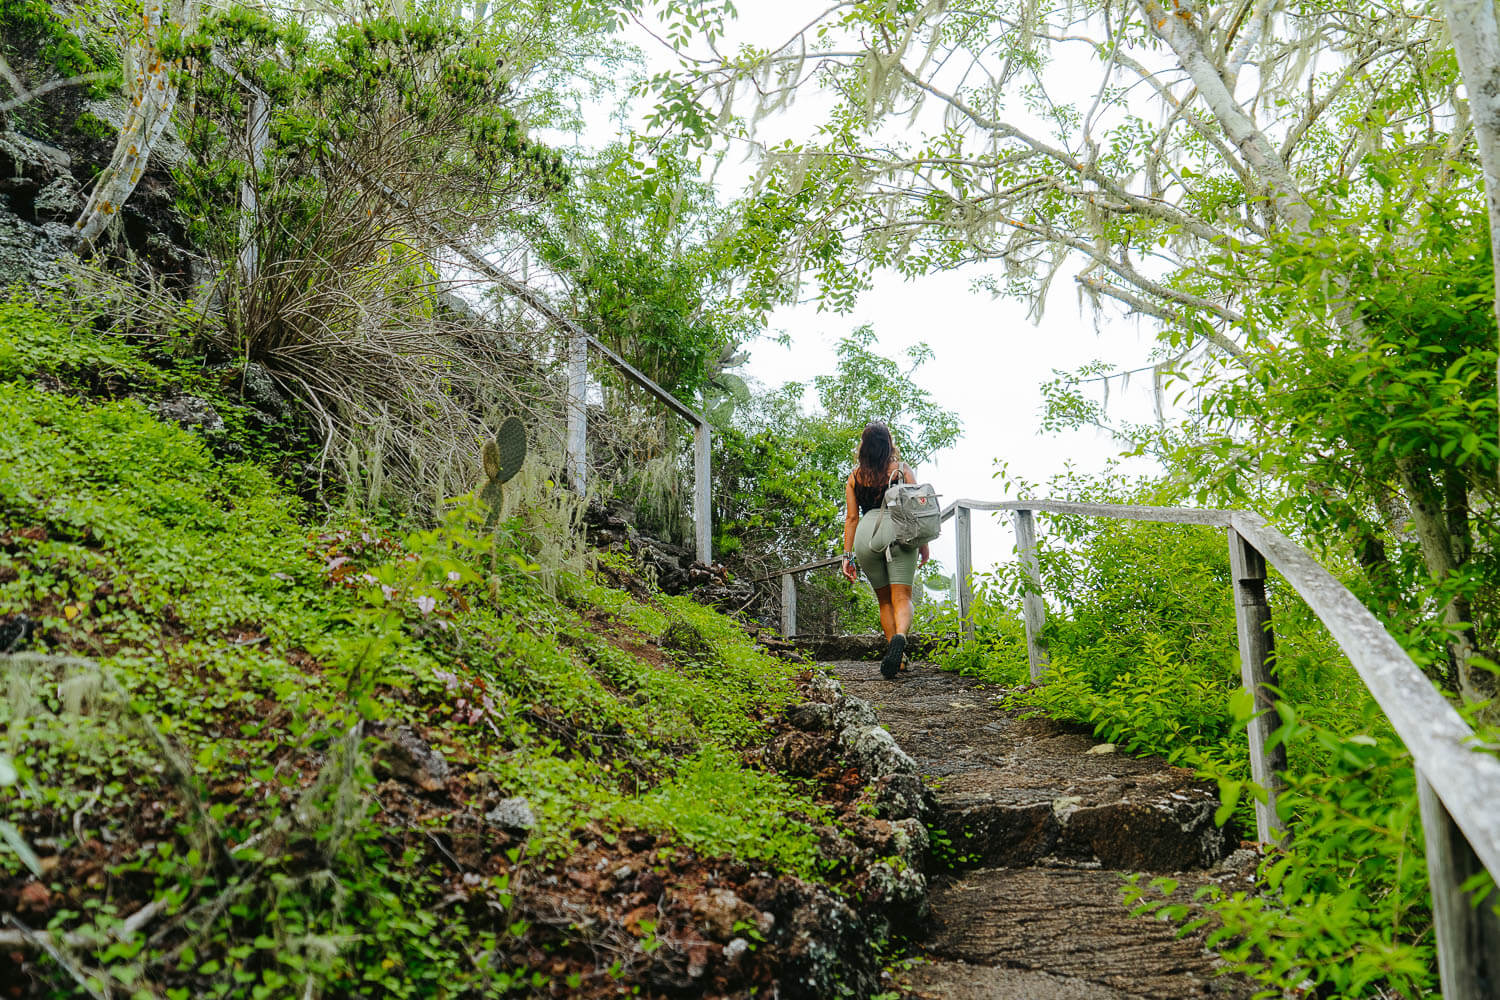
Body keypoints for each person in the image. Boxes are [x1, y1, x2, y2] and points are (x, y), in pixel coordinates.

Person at [841, 422, 930, 679]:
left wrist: (847, 557)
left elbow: (851, 518)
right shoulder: (902, 471)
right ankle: (900, 638)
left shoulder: (855, 477)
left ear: (864, 448)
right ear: (889, 444)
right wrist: (923, 544)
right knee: (902, 597)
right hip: (899, 532)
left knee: (884, 600)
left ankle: (897, 657)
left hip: (866, 538)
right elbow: (918, 510)